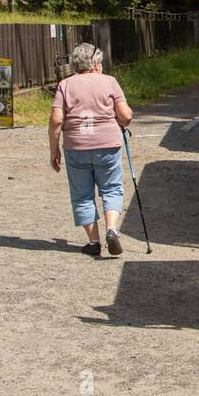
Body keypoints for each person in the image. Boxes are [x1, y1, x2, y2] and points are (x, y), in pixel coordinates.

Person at [49, 43, 134, 256]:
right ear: (95, 63)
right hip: (107, 145)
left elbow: (56, 120)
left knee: (82, 195)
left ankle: (94, 241)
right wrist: (120, 119)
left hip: (76, 146)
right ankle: (112, 229)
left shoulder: (65, 85)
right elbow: (126, 117)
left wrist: (54, 150)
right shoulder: (110, 82)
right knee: (112, 188)